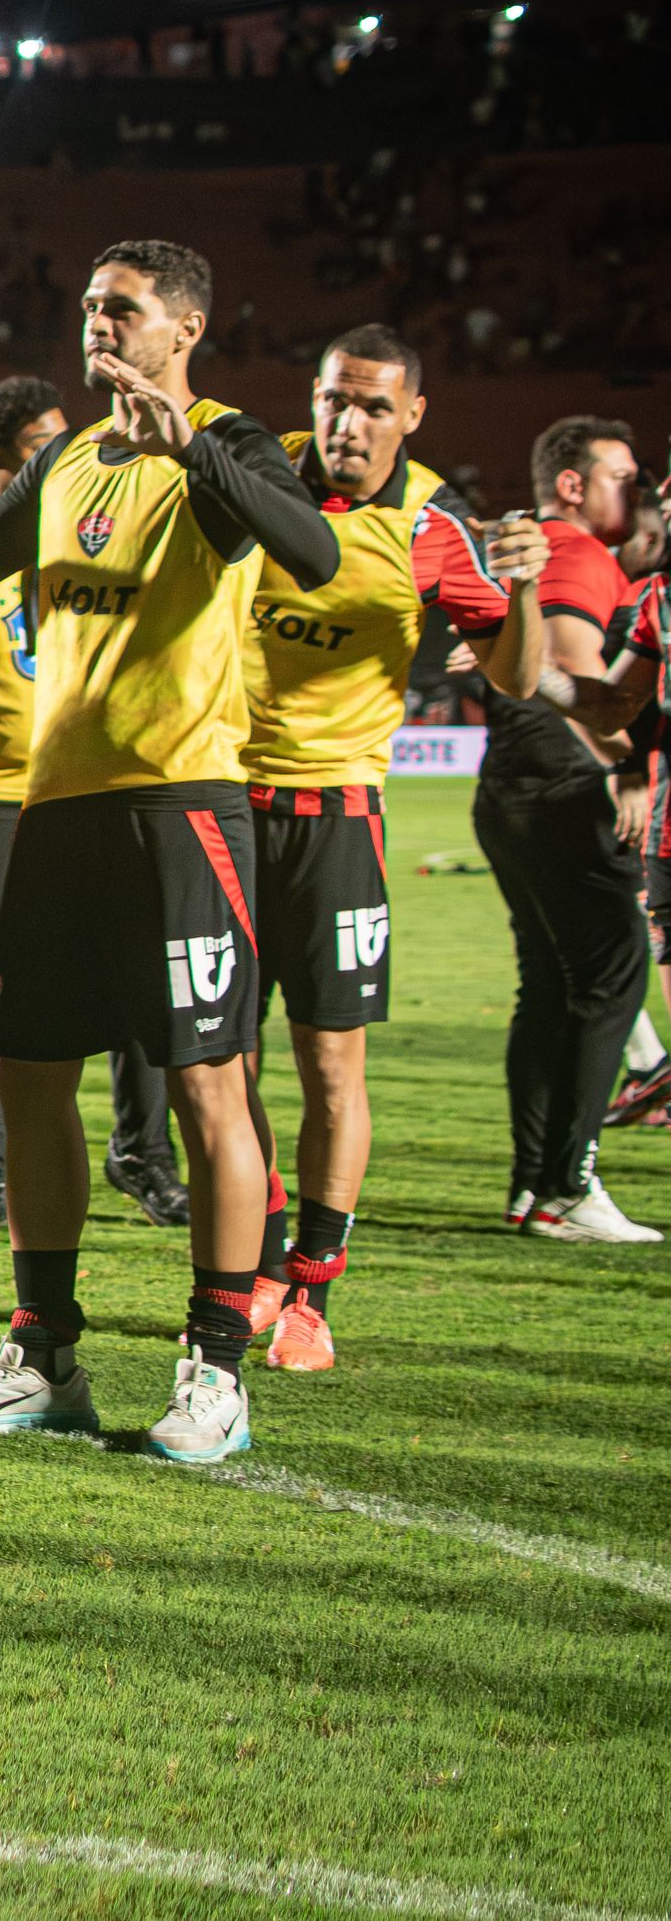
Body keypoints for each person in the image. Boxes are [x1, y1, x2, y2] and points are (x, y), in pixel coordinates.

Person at [0, 239, 339, 1465]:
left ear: (184, 328)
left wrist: (192, 447)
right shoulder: (65, 458)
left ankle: (214, 1367)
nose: (97, 325)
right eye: (89, 307)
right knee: (28, 1074)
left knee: (208, 1085)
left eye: (122, 308)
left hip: (179, 806)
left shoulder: (227, 441)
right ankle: (42, 1355)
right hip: (53, 806)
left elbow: (311, 554)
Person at [232, 326, 534, 1361]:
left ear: (411, 415)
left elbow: (515, 676)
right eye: (332, 398)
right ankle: (261, 1259)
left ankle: (311, 1292)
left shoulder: (431, 526)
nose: (346, 423)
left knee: (329, 1064)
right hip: (222, 809)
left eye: (370, 406)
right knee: (220, 1061)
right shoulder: (254, 472)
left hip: (336, 819)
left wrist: (526, 588)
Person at [0, 377, 182, 1239]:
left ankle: (143, 1155)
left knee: (138, 987)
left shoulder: (88, 537)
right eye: (41, 444)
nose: (64, 455)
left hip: (94, 786)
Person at [474, 416, 664, 1242]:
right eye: (625, 476)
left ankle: (533, 1185)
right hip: (566, 788)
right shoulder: (577, 552)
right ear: (573, 484)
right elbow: (579, 673)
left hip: (512, 789)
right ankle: (566, 1186)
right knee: (614, 974)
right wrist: (626, 768)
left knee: (549, 987)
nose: (640, 489)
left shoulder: (549, 553)